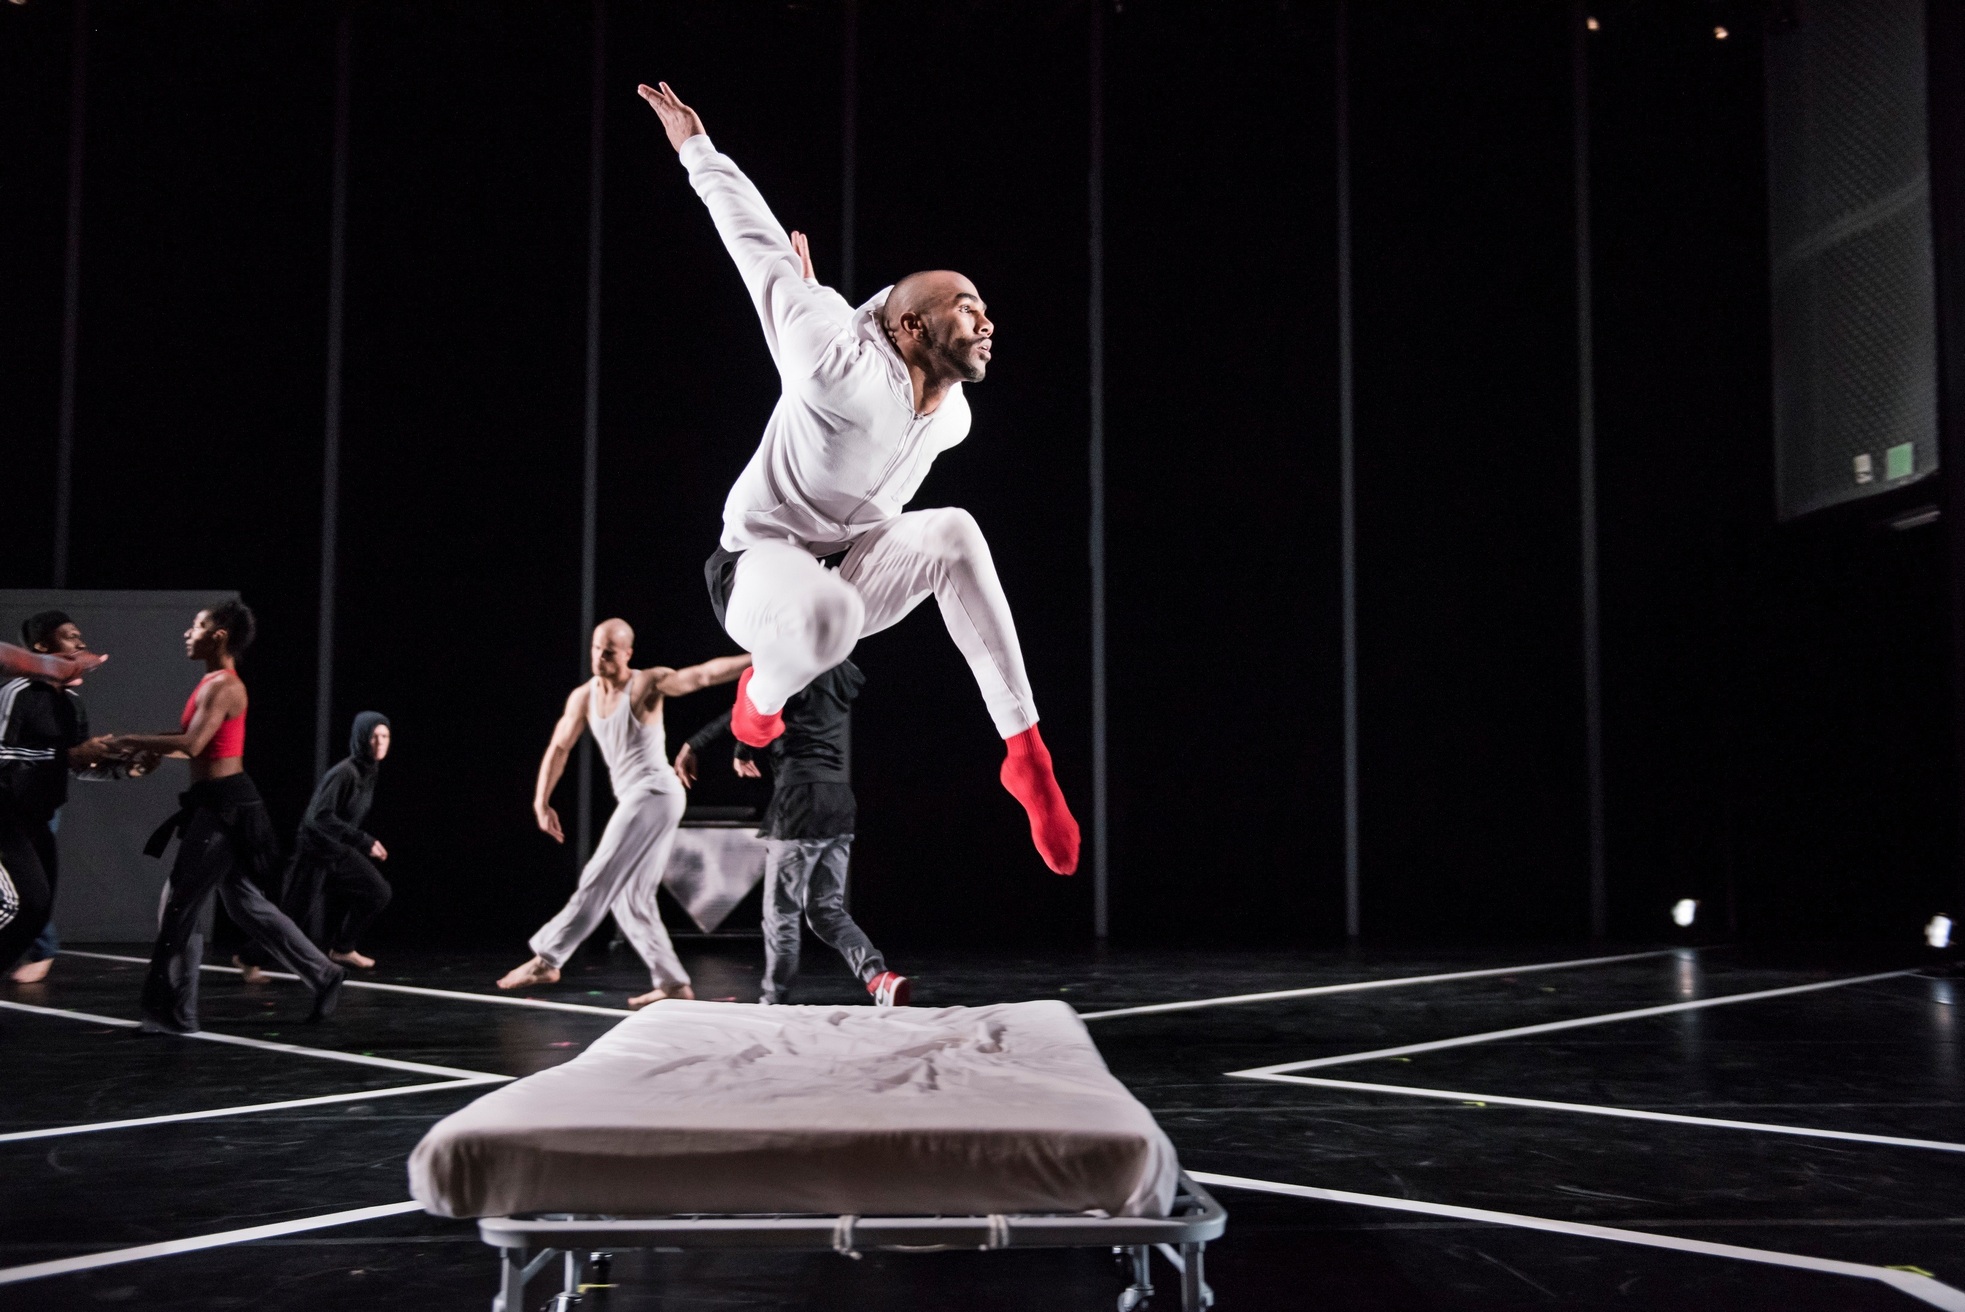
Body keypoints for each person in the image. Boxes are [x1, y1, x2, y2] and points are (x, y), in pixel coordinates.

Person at [637, 80, 1081, 877]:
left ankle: (1026, 755)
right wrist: (697, 150)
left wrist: (821, 295)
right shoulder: (829, 357)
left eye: (983, 306)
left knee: (954, 531)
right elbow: (754, 244)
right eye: (965, 307)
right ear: (911, 327)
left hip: (852, 565)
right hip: (755, 568)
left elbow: (865, 325)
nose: (986, 320)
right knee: (828, 613)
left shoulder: (955, 416)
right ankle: (756, 710)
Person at [106, 600, 345, 1033]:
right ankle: (323, 973)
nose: (188, 633)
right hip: (218, 803)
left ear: (219, 636)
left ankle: (175, 1014)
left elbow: (193, 745)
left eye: (197, 626)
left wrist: (130, 739)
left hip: (226, 808)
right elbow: (195, 745)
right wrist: (148, 747)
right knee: (245, 905)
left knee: (179, 905)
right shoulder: (211, 683)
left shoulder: (225, 687)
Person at [497, 619, 749, 1009]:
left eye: (609, 651)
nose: (600, 657)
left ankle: (548, 959)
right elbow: (559, 747)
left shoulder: (646, 684)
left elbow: (702, 675)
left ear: (627, 653)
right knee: (631, 897)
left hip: (655, 792)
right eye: (596, 648)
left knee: (600, 874)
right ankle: (672, 983)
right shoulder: (584, 697)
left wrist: (756, 659)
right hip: (641, 798)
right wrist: (540, 801)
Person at [676, 657, 909, 1006]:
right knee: (826, 910)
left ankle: (774, 1000)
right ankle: (878, 978)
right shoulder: (836, 668)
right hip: (838, 801)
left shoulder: (789, 669)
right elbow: (758, 710)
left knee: (781, 912)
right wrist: (729, 746)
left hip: (799, 801)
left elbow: (752, 710)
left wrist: (710, 746)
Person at [0, 617, 121, 979]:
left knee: (36, 914)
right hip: (5, 813)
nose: (80, 644)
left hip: (38, 817)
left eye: (80, 637)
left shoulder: (72, 704)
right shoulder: (16, 692)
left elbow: (77, 765)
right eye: (70, 637)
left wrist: (120, 768)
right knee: (23, 904)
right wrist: (65, 755)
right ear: (41, 647)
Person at [244, 711, 395, 977]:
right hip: (313, 852)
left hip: (337, 851)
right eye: (374, 736)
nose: (380, 742)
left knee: (378, 892)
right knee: (293, 916)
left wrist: (357, 841)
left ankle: (343, 948)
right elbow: (319, 818)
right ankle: (248, 959)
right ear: (362, 738)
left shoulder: (369, 771)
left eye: (385, 736)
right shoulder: (345, 772)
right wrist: (362, 840)